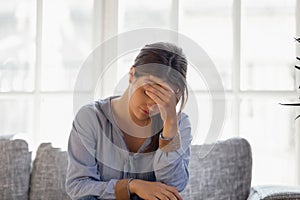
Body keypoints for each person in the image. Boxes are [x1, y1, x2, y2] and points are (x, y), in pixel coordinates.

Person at [65, 42, 193, 200]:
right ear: (132, 75)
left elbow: (173, 187)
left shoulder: (179, 124)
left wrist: (170, 129)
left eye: (162, 99)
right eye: (147, 92)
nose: (152, 106)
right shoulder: (91, 118)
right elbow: (78, 186)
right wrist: (132, 186)